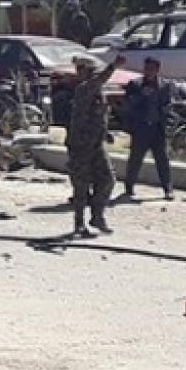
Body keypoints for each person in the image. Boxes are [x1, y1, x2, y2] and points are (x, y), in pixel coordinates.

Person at [67, 53, 125, 237]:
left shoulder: (97, 92)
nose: (92, 75)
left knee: (107, 179)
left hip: (96, 145)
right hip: (81, 146)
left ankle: (97, 215)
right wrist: (113, 66)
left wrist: (105, 132)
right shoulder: (84, 88)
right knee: (81, 186)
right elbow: (98, 81)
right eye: (88, 71)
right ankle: (79, 223)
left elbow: (96, 115)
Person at [123, 57, 175, 200]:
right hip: (141, 128)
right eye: (146, 68)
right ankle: (129, 186)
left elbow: (169, 103)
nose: (148, 72)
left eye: (151, 69)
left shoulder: (165, 85)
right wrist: (141, 95)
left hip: (158, 128)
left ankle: (168, 188)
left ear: (157, 70)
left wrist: (167, 111)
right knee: (136, 159)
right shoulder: (135, 84)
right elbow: (127, 105)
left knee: (162, 159)